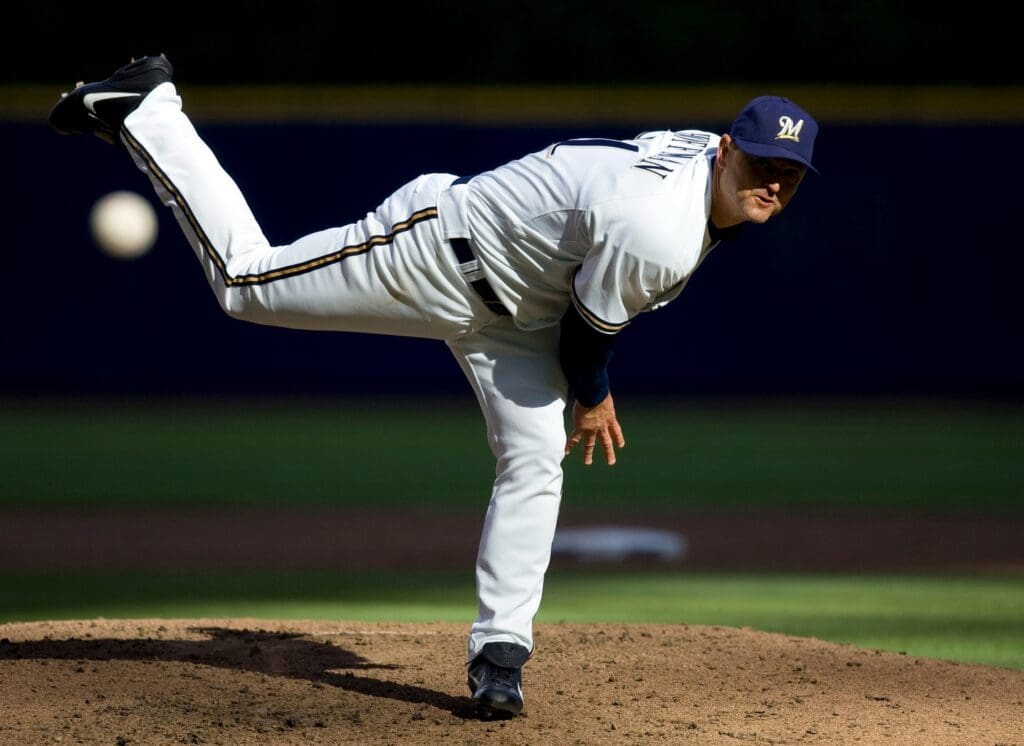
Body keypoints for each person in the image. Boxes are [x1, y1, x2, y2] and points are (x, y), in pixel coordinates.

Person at [49, 55, 818, 719]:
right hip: (436, 255)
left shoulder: (696, 166)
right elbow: (588, 341)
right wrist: (596, 396)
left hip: (522, 304)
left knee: (535, 454)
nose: (772, 185)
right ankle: (151, 109)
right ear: (725, 152)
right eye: (760, 165)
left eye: (788, 175)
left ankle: (500, 657)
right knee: (247, 284)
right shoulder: (661, 229)